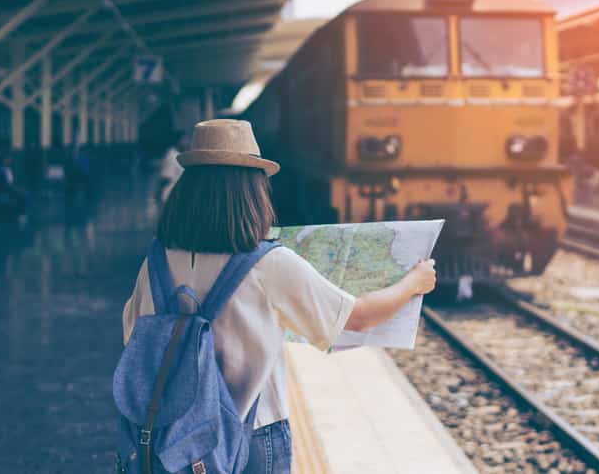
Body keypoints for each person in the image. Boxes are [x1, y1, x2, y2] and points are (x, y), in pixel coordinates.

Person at [122, 119, 436, 473]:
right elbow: (357, 316)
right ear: (251, 192)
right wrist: (414, 282)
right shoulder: (268, 264)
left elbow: (134, 337)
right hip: (252, 436)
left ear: (188, 189)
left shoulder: (155, 262)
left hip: (169, 436)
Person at [155, 131, 188, 204]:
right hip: (169, 195)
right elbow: (165, 177)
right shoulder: (171, 156)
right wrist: (157, 194)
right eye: (184, 140)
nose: (186, 142)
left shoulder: (181, 154)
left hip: (178, 195)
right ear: (178, 141)